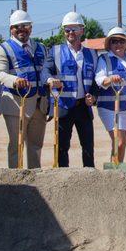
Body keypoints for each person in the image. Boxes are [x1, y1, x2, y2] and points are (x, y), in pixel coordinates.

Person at [0, 10, 55, 169]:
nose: (21, 29)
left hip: (39, 105)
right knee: (16, 145)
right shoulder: (3, 48)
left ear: (31, 27)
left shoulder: (41, 47)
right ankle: (16, 182)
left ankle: (34, 178)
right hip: (16, 104)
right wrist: (15, 81)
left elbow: (47, 72)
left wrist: (51, 101)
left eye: (25, 25)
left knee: (36, 146)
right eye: (17, 26)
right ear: (11, 29)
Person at [45, 11, 98, 167]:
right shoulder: (55, 51)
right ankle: (64, 180)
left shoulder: (92, 54)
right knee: (62, 148)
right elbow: (45, 71)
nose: (70, 33)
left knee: (88, 147)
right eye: (67, 29)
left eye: (74, 29)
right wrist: (50, 79)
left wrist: (93, 96)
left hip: (83, 107)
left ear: (82, 29)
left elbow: (96, 80)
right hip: (63, 107)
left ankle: (90, 179)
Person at [95, 27, 126, 164]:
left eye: (121, 41)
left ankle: (115, 170)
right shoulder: (104, 59)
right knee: (120, 142)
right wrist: (110, 79)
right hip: (110, 108)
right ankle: (115, 174)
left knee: (120, 145)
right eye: (114, 41)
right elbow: (99, 79)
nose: (118, 44)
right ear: (109, 44)